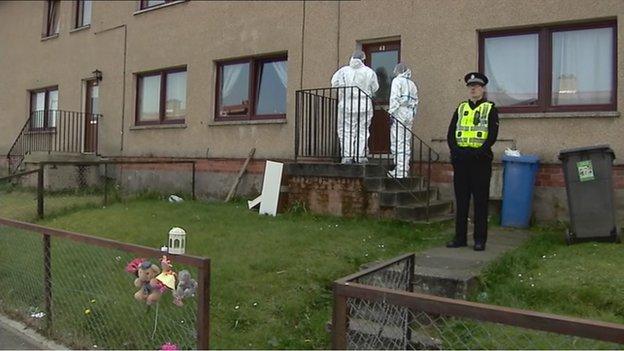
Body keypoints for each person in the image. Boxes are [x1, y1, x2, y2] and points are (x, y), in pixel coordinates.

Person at [446, 72, 499, 251]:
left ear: (483, 89)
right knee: (461, 201)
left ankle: (479, 239)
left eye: (476, 86)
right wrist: (457, 152)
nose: (473, 89)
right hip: (461, 162)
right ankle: (460, 238)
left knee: (480, 202)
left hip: (480, 162)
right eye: (470, 86)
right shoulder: (461, 108)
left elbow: (492, 135)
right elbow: (451, 134)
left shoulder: (490, 108)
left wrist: (477, 153)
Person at [331, 50, 379, 164]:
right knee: (362, 130)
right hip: (364, 105)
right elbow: (375, 87)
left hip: (347, 104)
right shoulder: (369, 72)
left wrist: (344, 90)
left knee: (347, 130)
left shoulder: (343, 71)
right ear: (363, 59)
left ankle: (347, 156)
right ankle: (360, 156)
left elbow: (334, 84)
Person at [388, 63, 419, 178]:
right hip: (409, 113)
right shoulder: (412, 84)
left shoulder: (397, 81)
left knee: (397, 141)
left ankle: (399, 170)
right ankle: (404, 169)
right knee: (406, 141)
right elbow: (416, 101)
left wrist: (391, 113)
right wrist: (412, 114)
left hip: (399, 111)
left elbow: (394, 98)